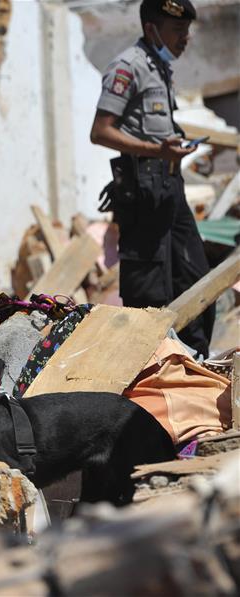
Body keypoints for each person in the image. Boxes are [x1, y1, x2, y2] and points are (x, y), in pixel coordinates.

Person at [90, 0, 213, 357]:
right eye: (178, 31)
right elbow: (100, 132)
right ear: (152, 29)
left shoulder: (160, 67)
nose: (185, 39)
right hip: (142, 190)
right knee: (150, 291)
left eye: (187, 31)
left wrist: (172, 146)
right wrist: (155, 149)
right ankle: (147, 367)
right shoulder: (127, 67)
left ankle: (196, 364)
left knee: (194, 278)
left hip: (168, 187)